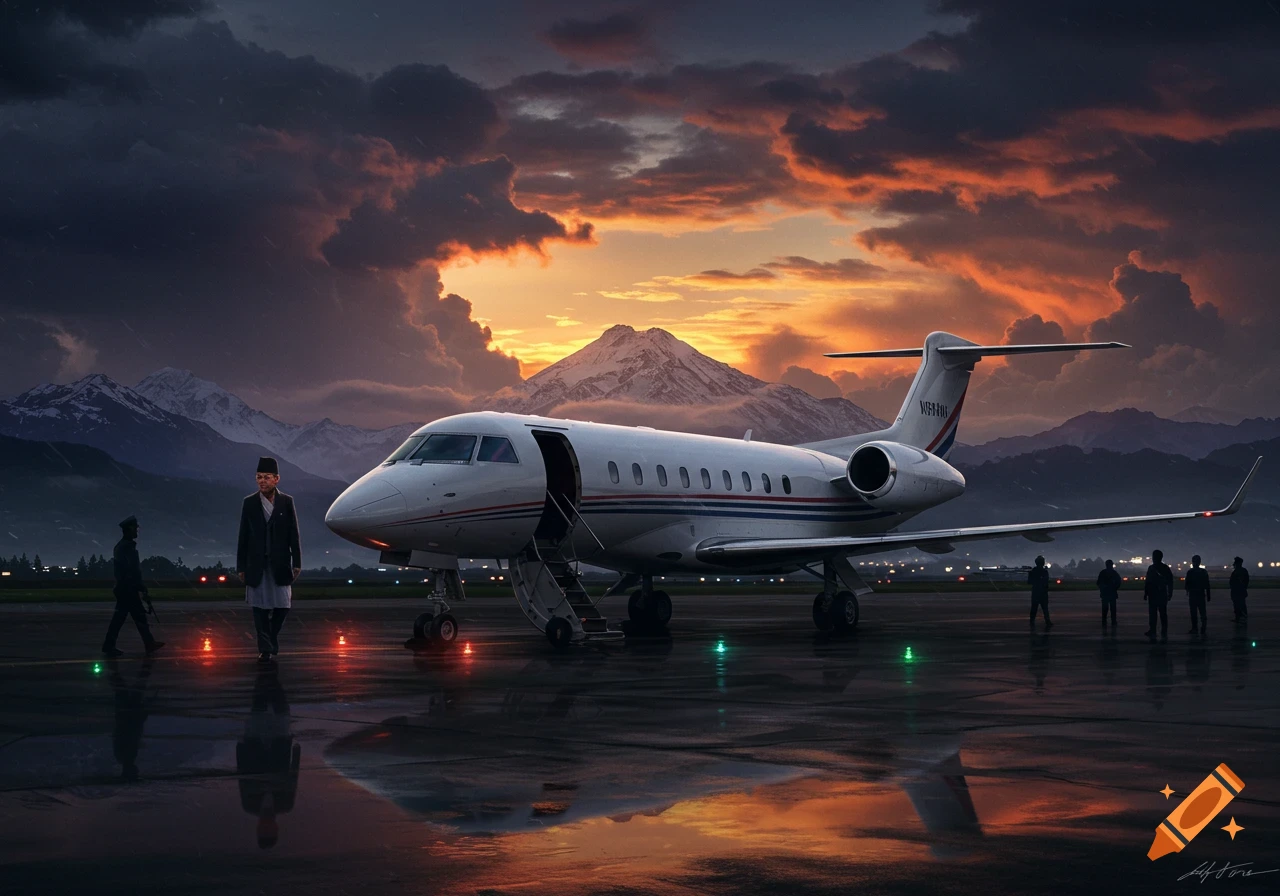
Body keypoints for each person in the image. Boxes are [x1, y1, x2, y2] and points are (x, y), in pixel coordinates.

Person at [237, 457, 301, 663]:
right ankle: (265, 647)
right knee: (259, 608)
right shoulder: (249, 503)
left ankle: (271, 637)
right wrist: (241, 566)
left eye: (266, 477)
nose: (262, 481)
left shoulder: (286, 502)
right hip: (256, 562)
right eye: (259, 477)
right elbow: (243, 536)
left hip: (280, 562)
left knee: (283, 605)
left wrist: (297, 562)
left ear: (276, 479)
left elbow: (293, 534)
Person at [101, 516, 164, 657]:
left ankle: (146, 643)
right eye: (135, 528)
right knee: (132, 617)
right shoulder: (127, 547)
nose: (137, 531)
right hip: (128, 588)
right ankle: (147, 643)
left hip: (125, 587)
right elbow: (132, 570)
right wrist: (141, 586)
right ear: (130, 529)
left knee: (126, 617)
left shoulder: (121, 546)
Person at [1142, 549, 1173, 641]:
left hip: (1154, 594)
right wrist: (1170, 592)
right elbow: (1170, 581)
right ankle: (1162, 631)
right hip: (1160, 593)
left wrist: (1146, 593)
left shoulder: (1151, 568)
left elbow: (1148, 582)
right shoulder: (1165, 568)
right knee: (1162, 613)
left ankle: (1153, 630)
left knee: (1154, 614)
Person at [1184, 554, 1211, 635]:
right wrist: (1208, 595)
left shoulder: (1190, 572)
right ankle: (1203, 627)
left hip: (1193, 594)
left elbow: (1187, 584)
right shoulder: (1203, 572)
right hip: (1200, 594)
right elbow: (1207, 584)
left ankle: (1195, 628)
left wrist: (1187, 590)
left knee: (1194, 613)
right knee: (1202, 612)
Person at [1028, 555, 1053, 628]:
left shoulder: (1033, 571)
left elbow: (1029, 581)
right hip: (1043, 593)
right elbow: (1046, 581)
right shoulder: (1044, 571)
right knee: (1045, 608)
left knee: (1034, 608)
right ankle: (1047, 621)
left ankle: (1032, 621)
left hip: (1036, 592)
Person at [1096, 559, 1122, 627]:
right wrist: (1114, 588)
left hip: (1105, 594)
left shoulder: (1103, 573)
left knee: (1105, 608)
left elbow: (1098, 583)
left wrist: (1103, 589)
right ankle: (1113, 621)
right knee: (1113, 609)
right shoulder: (1114, 573)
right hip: (1112, 593)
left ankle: (1104, 621)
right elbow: (1119, 582)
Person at [1229, 557, 1250, 623]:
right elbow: (1246, 581)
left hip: (1237, 591)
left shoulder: (1236, 572)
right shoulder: (1243, 571)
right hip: (1240, 591)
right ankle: (1240, 617)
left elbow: (1232, 582)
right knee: (1241, 604)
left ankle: (1239, 617)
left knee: (1238, 605)